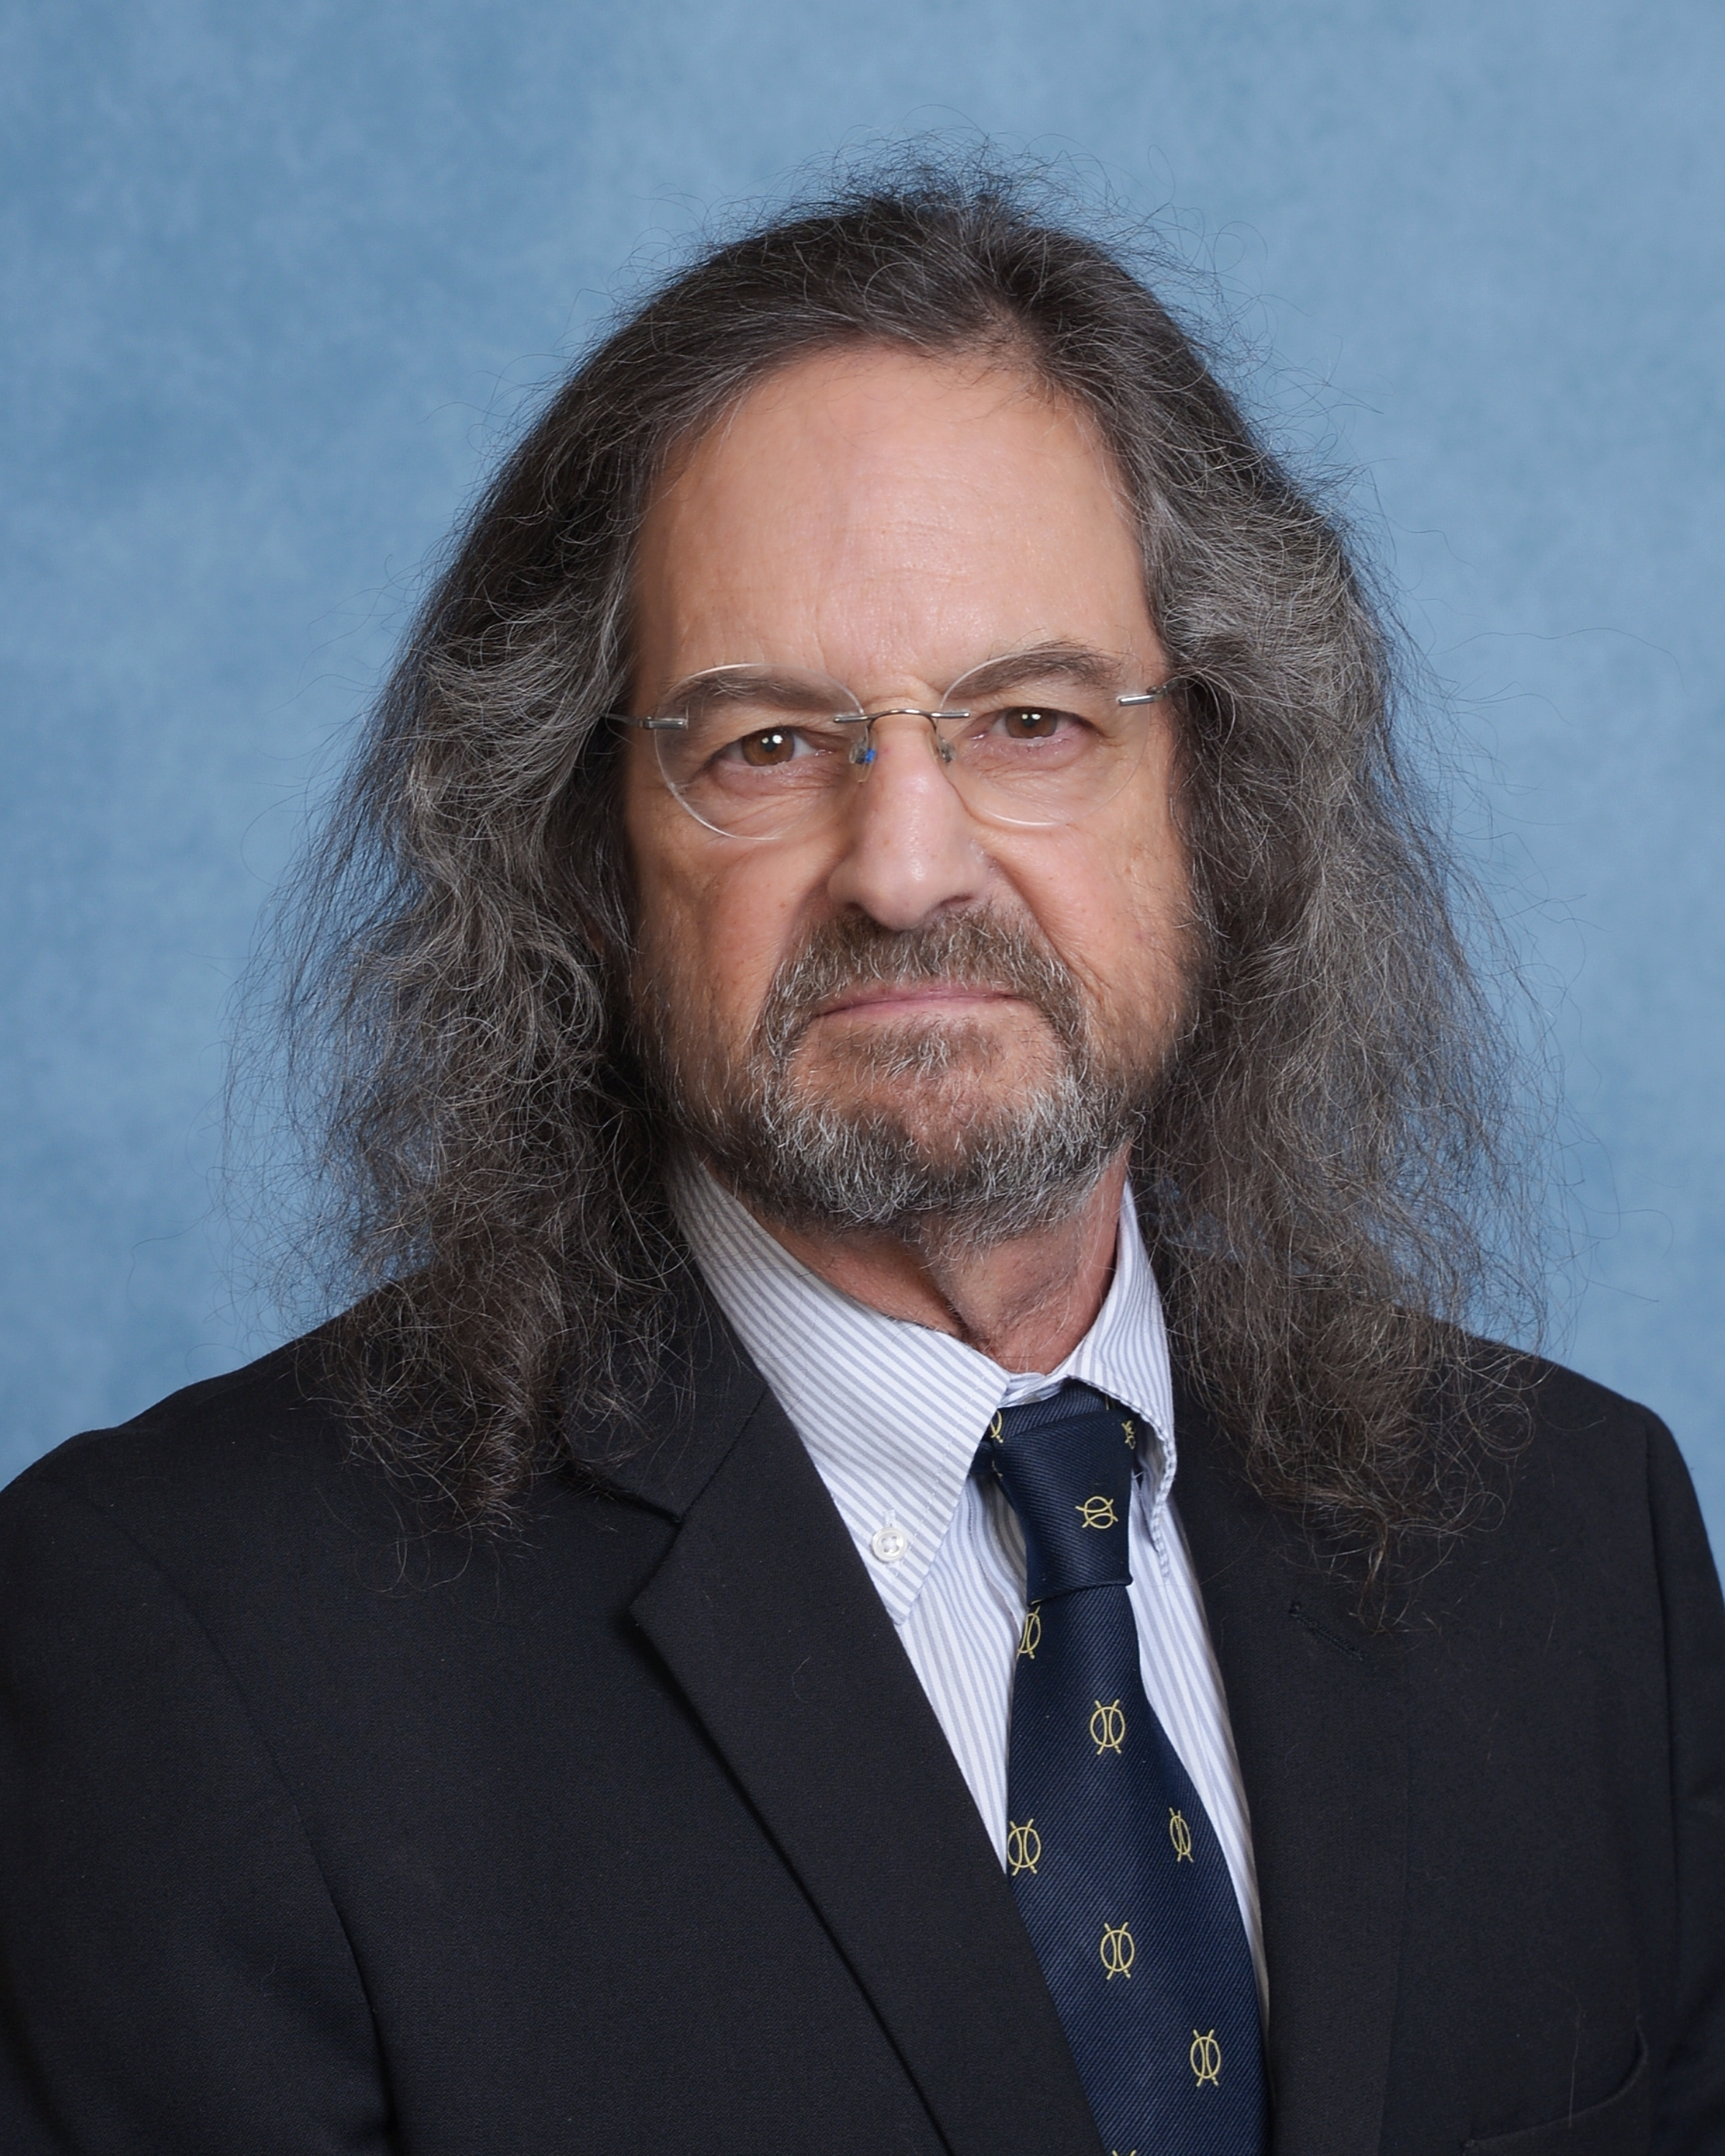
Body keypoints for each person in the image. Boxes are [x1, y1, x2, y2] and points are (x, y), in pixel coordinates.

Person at [1, 167, 1720, 2156]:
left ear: (1220, 801)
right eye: (766, 748)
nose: (907, 868)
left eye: (1035, 721)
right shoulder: (190, 1652)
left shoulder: (1586, 1551)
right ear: (581, 862)